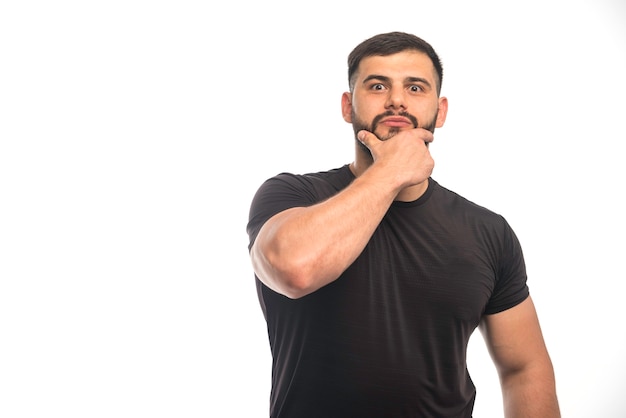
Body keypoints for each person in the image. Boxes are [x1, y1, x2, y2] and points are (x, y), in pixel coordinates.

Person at [246, 31, 560, 418]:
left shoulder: (489, 232)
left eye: (415, 87)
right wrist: (392, 170)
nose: (397, 99)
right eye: (377, 85)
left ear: (440, 111)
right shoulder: (291, 195)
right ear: (348, 106)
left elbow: (524, 367)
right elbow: (294, 268)